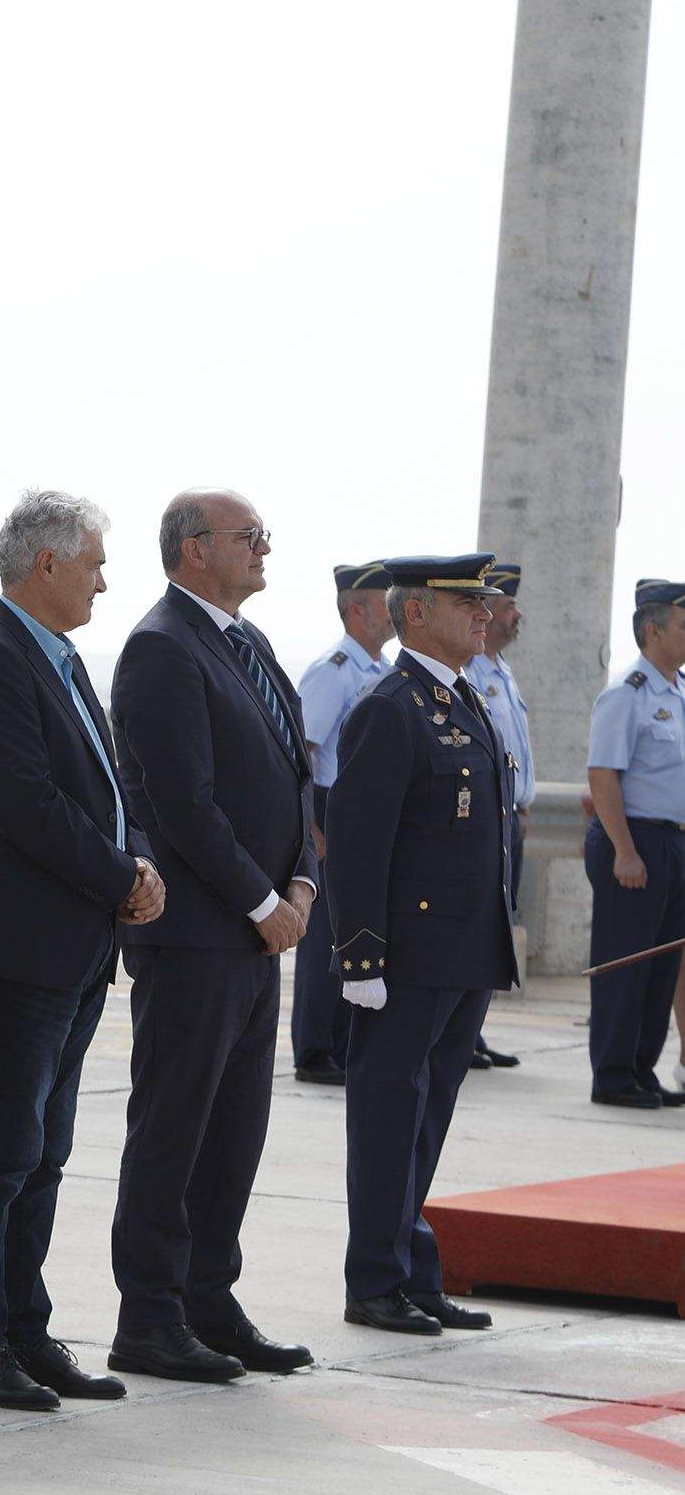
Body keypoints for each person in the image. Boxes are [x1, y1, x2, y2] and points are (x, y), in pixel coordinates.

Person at [0, 490, 155, 1413]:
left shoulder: (57, 658)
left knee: (48, 1145)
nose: (105, 580)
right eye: (95, 562)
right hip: (28, 945)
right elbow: (28, 805)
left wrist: (132, 861)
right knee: (8, 1143)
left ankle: (26, 1324)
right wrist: (119, 875)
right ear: (48, 564)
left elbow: (105, 782)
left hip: (77, 941)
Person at [106, 489, 318, 1383]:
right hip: (199, 934)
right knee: (175, 1128)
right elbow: (182, 803)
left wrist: (304, 877)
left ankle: (209, 1299)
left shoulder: (249, 642)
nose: (264, 547)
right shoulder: (162, 645)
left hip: (258, 931)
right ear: (195, 550)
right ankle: (150, 1316)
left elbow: (298, 775)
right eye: (247, 537)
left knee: (235, 1130)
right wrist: (261, 900)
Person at [324, 554, 513, 1337]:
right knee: (389, 1115)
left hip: (462, 949)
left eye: (482, 600)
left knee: (428, 1116)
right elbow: (358, 843)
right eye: (463, 600)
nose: (482, 611)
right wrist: (361, 958)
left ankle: (411, 1268)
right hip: (406, 957)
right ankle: (375, 1280)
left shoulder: (464, 698)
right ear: (416, 614)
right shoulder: (393, 707)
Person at [582, 579, 685, 1109]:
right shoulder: (627, 694)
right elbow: (604, 776)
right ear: (653, 630)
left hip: (673, 844)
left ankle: (642, 1070)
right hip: (636, 840)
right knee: (627, 963)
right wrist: (624, 850)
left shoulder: (680, 691)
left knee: (661, 965)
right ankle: (614, 1073)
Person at [291, 562, 395, 1086]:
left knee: (359, 930)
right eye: (384, 601)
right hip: (330, 808)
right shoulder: (334, 671)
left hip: (366, 812)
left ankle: (344, 1042)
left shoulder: (383, 671)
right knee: (326, 935)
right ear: (356, 610)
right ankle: (314, 1050)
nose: (394, 609)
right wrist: (312, 830)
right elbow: (301, 754)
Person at [465, 561, 530, 1073]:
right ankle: (463, 1033)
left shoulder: (502, 672)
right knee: (475, 924)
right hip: (483, 818)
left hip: (513, 818)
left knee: (497, 927)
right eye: (507, 606)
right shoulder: (469, 672)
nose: (512, 615)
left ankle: (475, 1030)